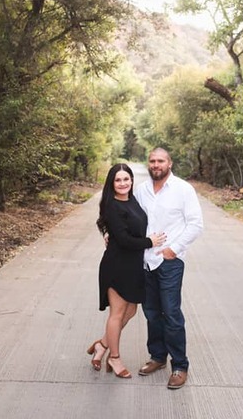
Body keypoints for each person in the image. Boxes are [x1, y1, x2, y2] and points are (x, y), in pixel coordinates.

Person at [87, 163, 166, 378]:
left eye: (126, 179)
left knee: (130, 311)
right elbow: (123, 239)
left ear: (131, 181)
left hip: (134, 266)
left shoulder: (133, 201)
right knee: (118, 313)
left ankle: (102, 345)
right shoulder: (113, 205)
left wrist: (105, 231)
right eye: (118, 180)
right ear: (112, 184)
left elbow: (104, 224)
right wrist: (150, 242)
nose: (123, 183)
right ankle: (114, 357)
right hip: (117, 265)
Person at [134, 147, 204, 389]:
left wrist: (173, 249)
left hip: (170, 261)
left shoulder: (183, 190)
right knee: (151, 312)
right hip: (145, 261)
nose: (156, 165)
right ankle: (157, 357)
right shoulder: (141, 190)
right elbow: (131, 219)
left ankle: (180, 365)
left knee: (171, 313)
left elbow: (195, 224)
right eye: (152, 161)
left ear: (170, 163)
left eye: (160, 161)